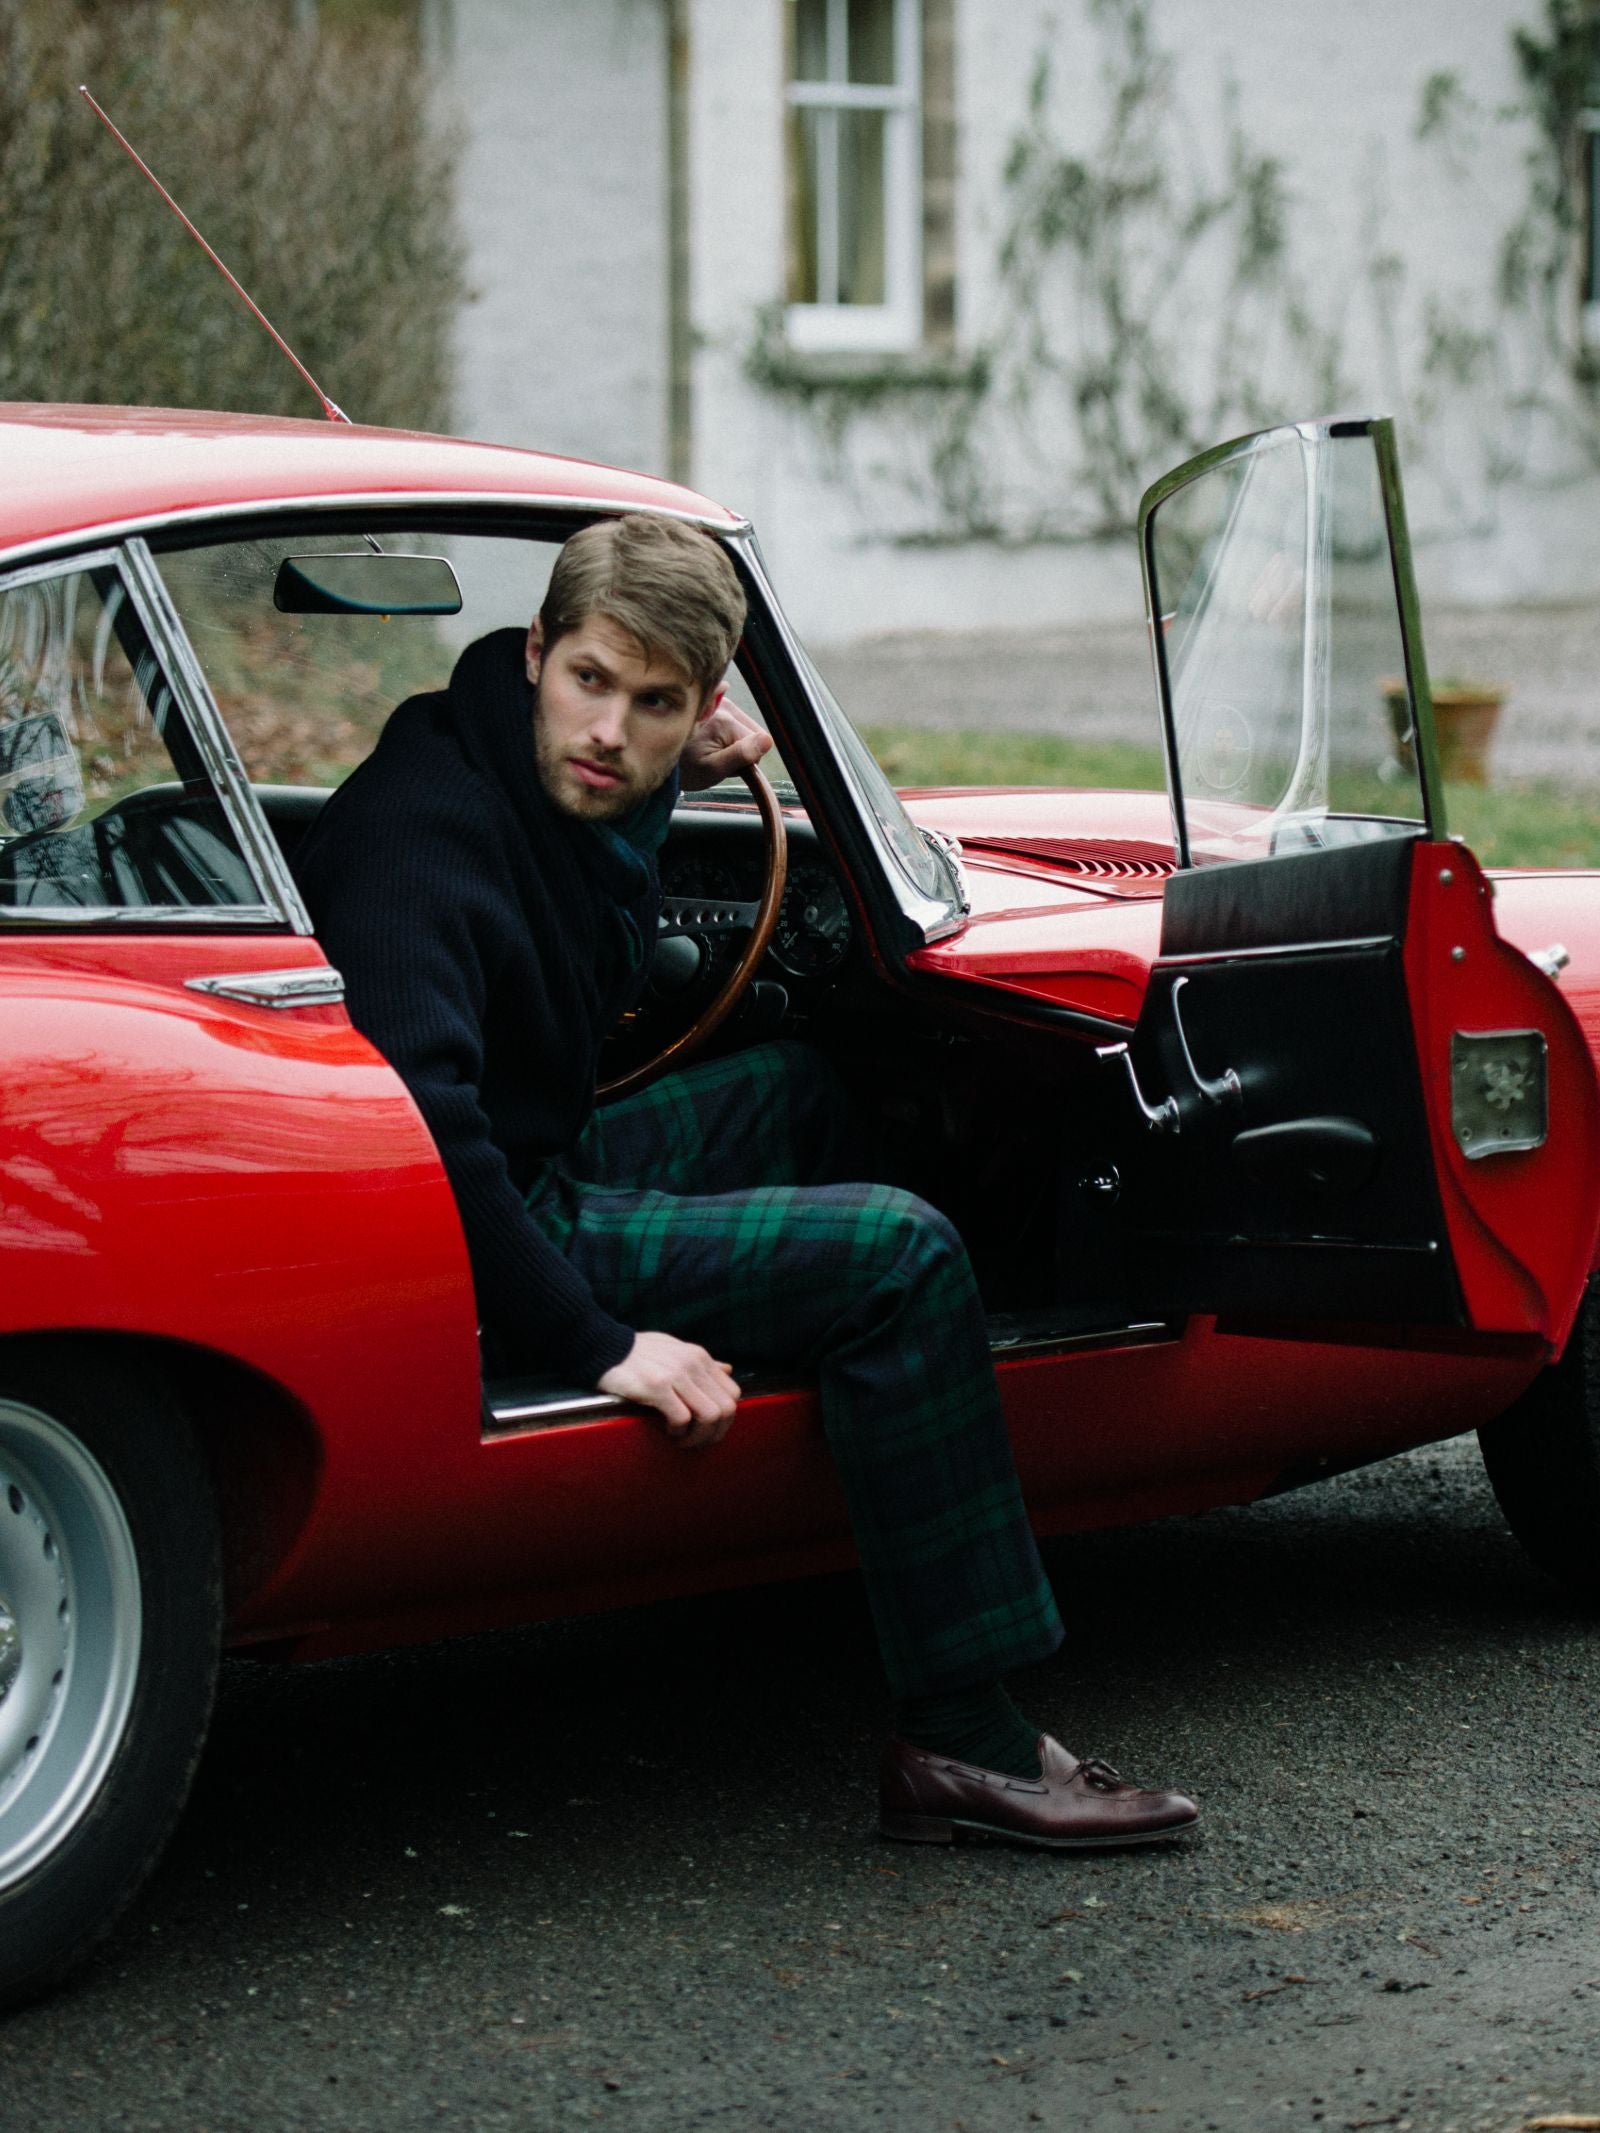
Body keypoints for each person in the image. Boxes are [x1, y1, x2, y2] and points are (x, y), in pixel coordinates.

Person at [293, 515, 1198, 1850]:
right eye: (590, 679)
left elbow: (589, 828)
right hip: (491, 1230)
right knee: (903, 1255)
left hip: (546, 1167)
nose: (610, 729)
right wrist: (597, 1342)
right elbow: (433, 1136)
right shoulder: (420, 837)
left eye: (655, 703)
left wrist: (676, 764)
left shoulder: (518, 751)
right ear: (538, 650)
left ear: (704, 707)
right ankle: (963, 1733)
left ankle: (886, 1487)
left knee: (802, 1086)